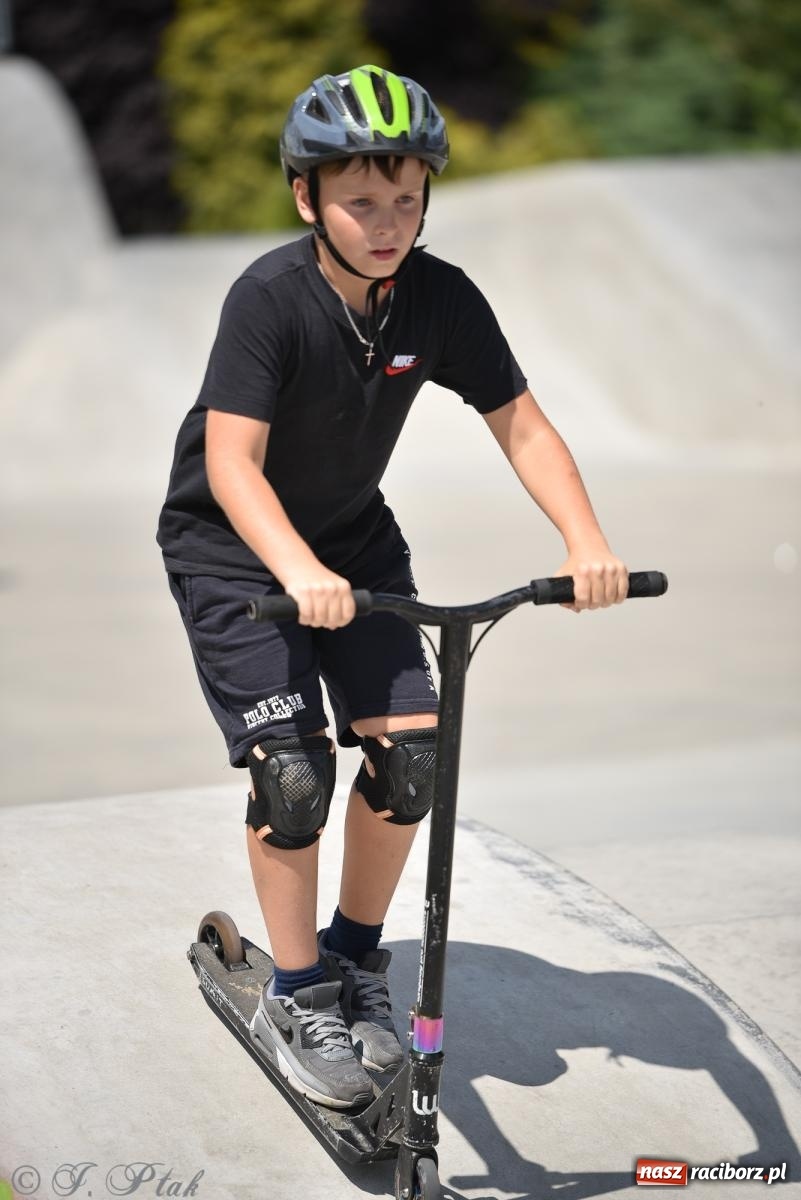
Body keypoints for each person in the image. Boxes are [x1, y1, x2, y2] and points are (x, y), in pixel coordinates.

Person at [157, 63, 628, 1110]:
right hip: (237, 553)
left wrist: (585, 538)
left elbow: (523, 422)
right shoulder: (269, 301)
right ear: (305, 197)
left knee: (410, 760)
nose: (387, 223)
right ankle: (294, 992)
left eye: (406, 200)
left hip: (354, 548)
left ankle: (355, 960)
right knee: (293, 776)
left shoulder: (439, 298)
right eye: (361, 201)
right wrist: (296, 569)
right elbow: (232, 465)